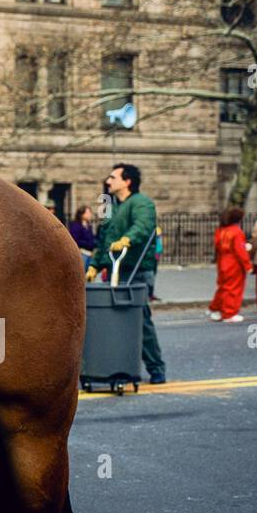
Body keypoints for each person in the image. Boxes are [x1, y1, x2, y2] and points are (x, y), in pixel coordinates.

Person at [88, 163, 165, 383]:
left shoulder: (142, 203)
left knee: (140, 320)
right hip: (116, 270)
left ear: (127, 181)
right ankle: (118, 363)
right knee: (117, 321)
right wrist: (95, 264)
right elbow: (103, 241)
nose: (108, 181)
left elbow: (143, 226)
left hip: (137, 271)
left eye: (113, 177)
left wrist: (127, 240)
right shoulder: (112, 207)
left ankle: (156, 367)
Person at [208, 207, 251, 323]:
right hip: (234, 263)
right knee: (233, 288)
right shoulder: (236, 231)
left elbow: (217, 246)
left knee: (223, 287)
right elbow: (240, 251)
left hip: (222, 261)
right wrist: (248, 265)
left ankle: (216, 309)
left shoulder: (221, 230)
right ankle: (229, 313)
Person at [68, 205, 96, 271]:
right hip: (82, 253)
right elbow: (75, 240)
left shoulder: (88, 225)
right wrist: (88, 243)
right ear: (82, 214)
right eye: (88, 213)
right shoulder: (75, 225)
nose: (90, 215)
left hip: (89, 254)